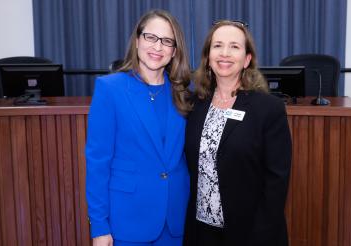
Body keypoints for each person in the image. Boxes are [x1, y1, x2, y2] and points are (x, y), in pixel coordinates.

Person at [86, 9, 192, 246]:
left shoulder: (185, 93)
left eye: (166, 41)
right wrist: (99, 226)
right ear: (137, 41)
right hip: (127, 222)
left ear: (174, 51)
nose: (158, 47)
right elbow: (98, 162)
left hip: (176, 221)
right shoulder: (109, 89)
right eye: (150, 37)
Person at [183, 20, 292, 246]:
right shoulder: (193, 105)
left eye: (234, 46)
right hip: (201, 232)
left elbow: (277, 181)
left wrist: (262, 234)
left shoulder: (268, 109)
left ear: (247, 59)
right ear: (208, 57)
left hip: (251, 233)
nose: (225, 53)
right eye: (218, 46)